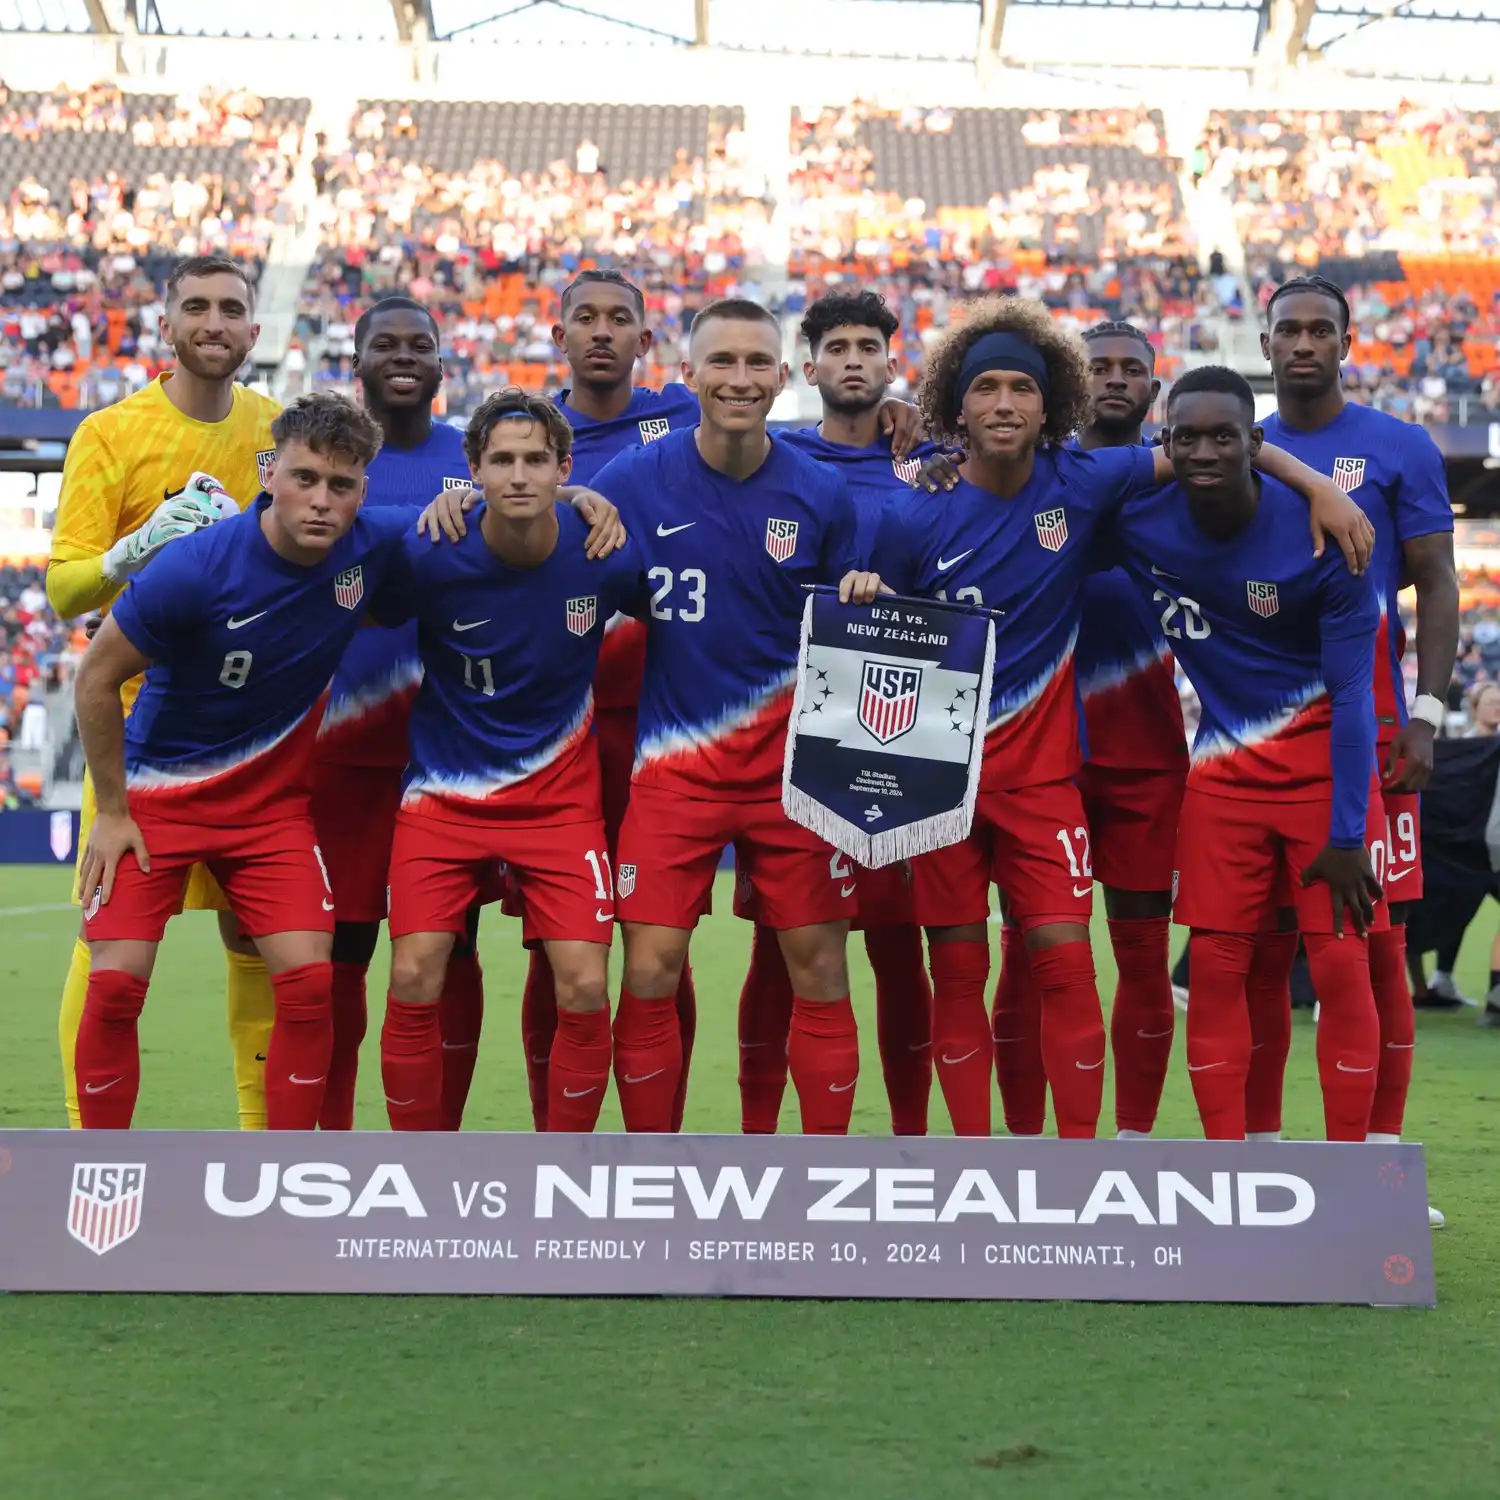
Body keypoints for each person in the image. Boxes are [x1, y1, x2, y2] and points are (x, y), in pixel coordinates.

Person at [860, 297, 1371, 1138]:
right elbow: (881, 648)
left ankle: (1090, 1164)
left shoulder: (1086, 480)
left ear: (1049, 401)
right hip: (942, 786)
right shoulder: (912, 509)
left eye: (1020, 389)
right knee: (958, 972)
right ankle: (971, 1166)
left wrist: (1316, 483)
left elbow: (1215, 447)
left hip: (1045, 781)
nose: (1003, 405)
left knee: (1068, 964)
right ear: (958, 403)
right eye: (984, 387)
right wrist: (867, 593)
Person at [69, 393, 407, 1129]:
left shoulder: (374, 548)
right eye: (304, 478)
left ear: (363, 494)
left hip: (271, 814)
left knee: (311, 985)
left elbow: (497, 523)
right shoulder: (195, 567)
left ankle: (283, 1175)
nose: (321, 500)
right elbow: (94, 677)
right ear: (269, 471)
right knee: (117, 984)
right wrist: (114, 811)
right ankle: (96, 1164)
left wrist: (577, 497)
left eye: (340, 485)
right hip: (156, 804)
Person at [592, 298, 864, 1135]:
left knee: (819, 971)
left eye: (757, 364)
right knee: (650, 970)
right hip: (676, 775)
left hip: (795, 778)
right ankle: (652, 1177)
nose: (739, 379)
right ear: (688, 374)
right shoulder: (633, 482)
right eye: (723, 362)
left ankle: (820, 1179)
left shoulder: (823, 494)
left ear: (783, 378)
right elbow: (562, 560)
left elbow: (858, 639)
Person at [1109, 366, 1385, 1141]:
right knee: (1219, 968)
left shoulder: (1322, 532)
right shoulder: (1138, 521)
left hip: (1320, 777)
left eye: (1223, 436)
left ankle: (1352, 1169)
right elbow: (1046, 484)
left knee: (1338, 965)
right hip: (1223, 779)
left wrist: (1345, 832)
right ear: (1164, 443)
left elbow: (1356, 695)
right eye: (1185, 437)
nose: (1204, 451)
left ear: (1254, 444)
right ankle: (1230, 1164)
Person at [46, 253, 279, 1132]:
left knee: (254, 936)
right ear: (167, 326)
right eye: (196, 308)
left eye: (230, 309)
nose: (214, 323)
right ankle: (87, 1144)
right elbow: (66, 590)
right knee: (110, 946)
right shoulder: (111, 433)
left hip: (254, 726)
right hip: (141, 728)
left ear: (254, 331)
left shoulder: (276, 428)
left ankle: (264, 1146)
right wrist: (135, 548)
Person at [372, 389, 639, 1132]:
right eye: (501, 461)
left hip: (559, 802)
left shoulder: (604, 552)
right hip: (443, 799)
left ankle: (564, 1169)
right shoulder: (427, 550)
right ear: (472, 470)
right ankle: (416, 1162)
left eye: (535, 461)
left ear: (564, 467)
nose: (518, 475)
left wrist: (590, 500)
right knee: (414, 972)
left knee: (585, 986)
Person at [1259, 277, 1456, 1209]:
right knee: (1259, 952)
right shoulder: (1229, 444)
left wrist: (1426, 714)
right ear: (1264, 344)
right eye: (1287, 330)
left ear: (1348, 342)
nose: (1303, 343)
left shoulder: (1399, 446)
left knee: (1379, 949)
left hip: (1373, 736)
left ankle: (1382, 1171)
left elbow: (1440, 583)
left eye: (1319, 330)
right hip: (1257, 739)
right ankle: (1257, 1164)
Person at [733, 288, 936, 1136]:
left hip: (899, 735)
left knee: (898, 950)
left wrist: (931, 426)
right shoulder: (771, 457)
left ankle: (913, 1147)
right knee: (777, 953)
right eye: (837, 347)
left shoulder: (934, 463)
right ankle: (757, 1142)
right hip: (787, 745)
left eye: (869, 346)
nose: (854, 359)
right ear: (806, 368)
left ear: (893, 362)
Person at [992, 320, 1186, 1140]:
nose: (1113, 379)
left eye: (1129, 368)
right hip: (1043, 766)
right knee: (1029, 961)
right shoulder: (1028, 480)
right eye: (1097, 366)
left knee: (1142, 957)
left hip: (1145, 759)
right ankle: (1031, 1153)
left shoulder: (1190, 486)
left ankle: (1134, 1145)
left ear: (1153, 384)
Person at [521, 268, 701, 1131]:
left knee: (666, 949)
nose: (601, 331)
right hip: (556, 732)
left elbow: (802, 453)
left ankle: (653, 1152)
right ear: (558, 337)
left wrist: (902, 429)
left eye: (618, 319)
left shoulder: (689, 417)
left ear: (644, 340)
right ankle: (556, 1148)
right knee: (554, 953)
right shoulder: (523, 437)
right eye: (583, 319)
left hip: (669, 724)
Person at [309, 295, 483, 1132]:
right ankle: (335, 1147)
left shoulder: (476, 462)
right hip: (341, 752)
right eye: (386, 344)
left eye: (421, 345)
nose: (404, 356)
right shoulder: (326, 470)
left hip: (450, 755)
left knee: (451, 954)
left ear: (444, 367)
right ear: (358, 361)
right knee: (342, 954)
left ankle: (435, 1147)